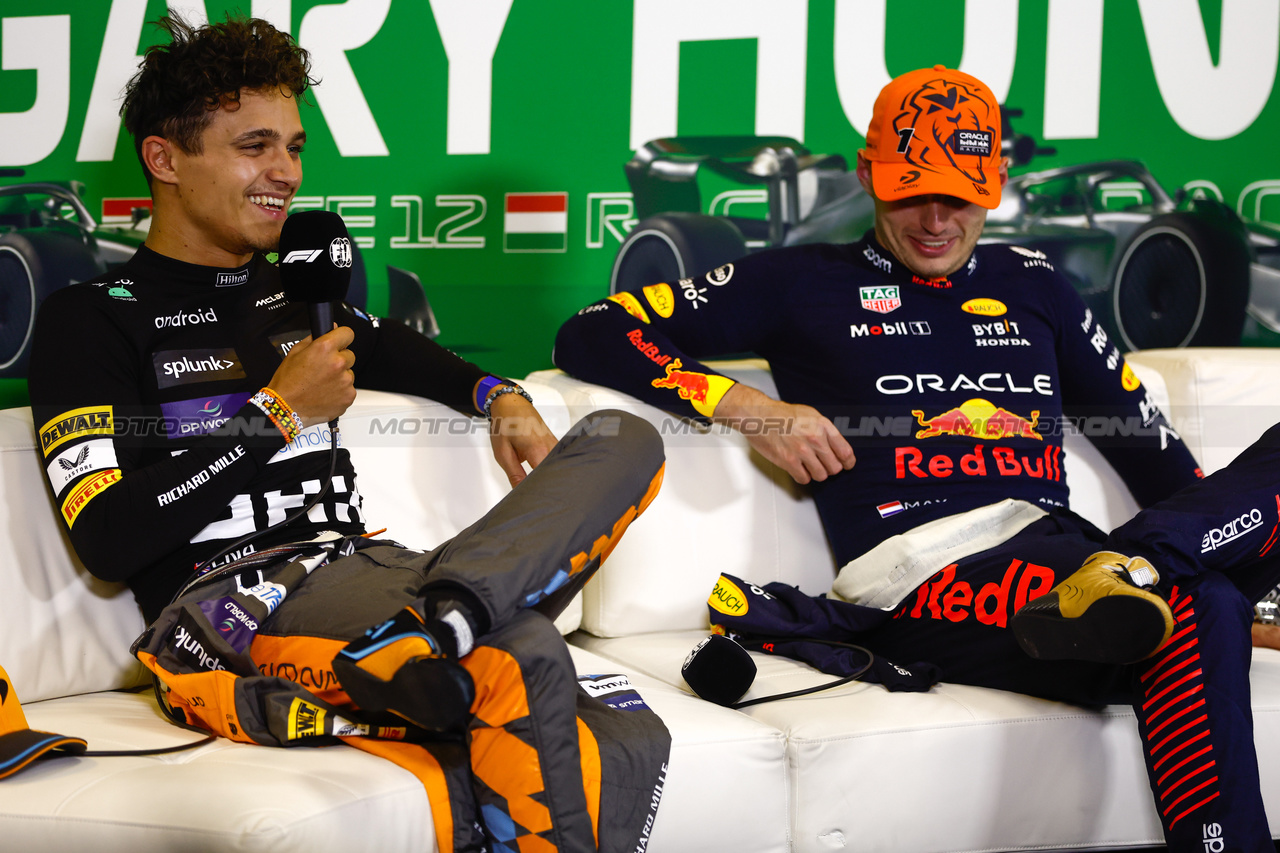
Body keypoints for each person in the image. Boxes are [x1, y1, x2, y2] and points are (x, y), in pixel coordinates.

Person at [554, 64, 1280, 852]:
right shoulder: (800, 281)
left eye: (959, 196)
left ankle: (1134, 569)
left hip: (1068, 565)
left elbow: (1160, 461)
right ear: (868, 175)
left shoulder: (1036, 287)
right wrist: (744, 405)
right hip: (925, 582)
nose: (935, 219)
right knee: (1201, 600)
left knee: (1206, 599)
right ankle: (1140, 572)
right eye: (910, 192)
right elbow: (593, 329)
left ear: (996, 183)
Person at [27, 15, 669, 853]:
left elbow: (408, 351)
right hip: (244, 599)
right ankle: (452, 626)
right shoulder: (92, 322)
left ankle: (442, 624)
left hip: (381, 569)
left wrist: (497, 391)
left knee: (624, 435)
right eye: (255, 146)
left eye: (293, 148)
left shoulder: (299, 296)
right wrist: (276, 413)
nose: (284, 174)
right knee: (526, 658)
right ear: (165, 159)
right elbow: (110, 537)